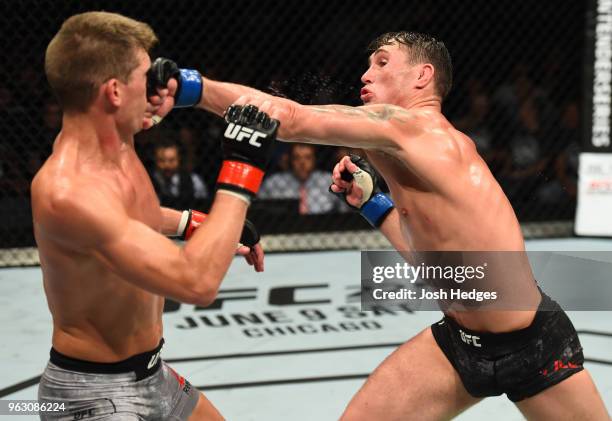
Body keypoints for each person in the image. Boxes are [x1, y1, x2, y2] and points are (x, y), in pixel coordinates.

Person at [148, 31, 609, 420]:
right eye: (368, 65)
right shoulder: (405, 149)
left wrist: (191, 87)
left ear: (422, 77)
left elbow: (287, 118)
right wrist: (375, 206)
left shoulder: (416, 128)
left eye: (383, 62)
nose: (365, 75)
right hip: (461, 342)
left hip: (533, 345)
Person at [33, 11, 277, 420]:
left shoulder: (111, 137)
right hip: (93, 398)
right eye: (144, 79)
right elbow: (196, 283)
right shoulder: (68, 192)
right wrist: (241, 173)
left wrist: (192, 222)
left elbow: (127, 215)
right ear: (113, 92)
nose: (153, 88)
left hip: (152, 374)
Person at [259, 143, 346, 214]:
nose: (302, 163)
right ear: (290, 160)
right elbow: (258, 208)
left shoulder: (328, 181)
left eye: (307, 158)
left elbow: (344, 210)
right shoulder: (274, 182)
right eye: (297, 157)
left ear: (315, 160)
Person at [150, 134, 209, 209]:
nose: (167, 165)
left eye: (171, 160)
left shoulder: (193, 180)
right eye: (162, 160)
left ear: (178, 159)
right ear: (155, 161)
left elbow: (203, 204)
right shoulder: (150, 180)